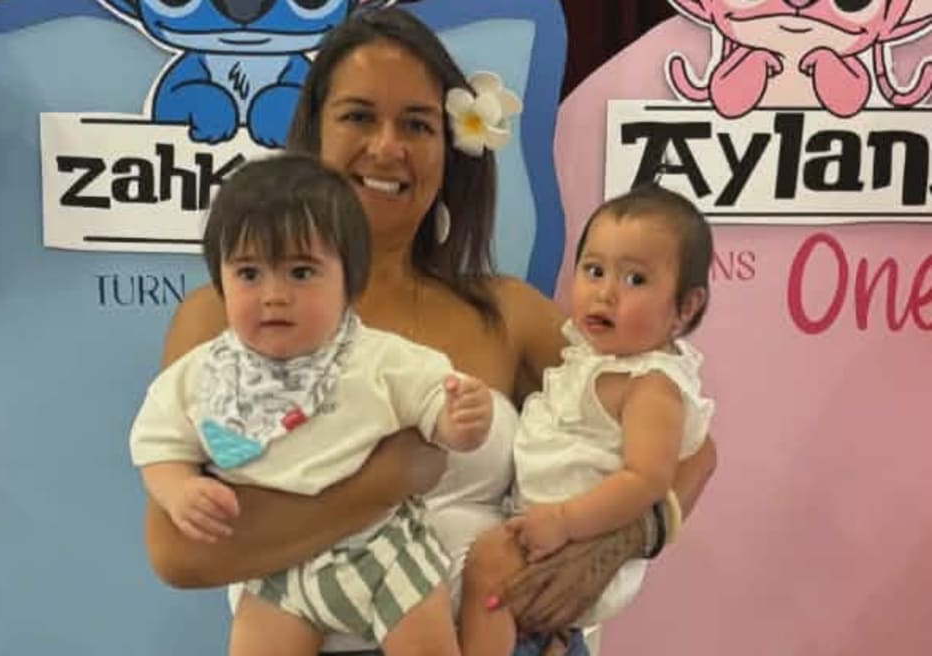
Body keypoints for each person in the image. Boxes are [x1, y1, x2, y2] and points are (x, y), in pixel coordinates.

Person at [140, 7, 718, 656]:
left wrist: (621, 540)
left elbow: (690, 443)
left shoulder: (507, 312)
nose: (388, 147)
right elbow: (176, 553)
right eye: (359, 116)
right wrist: (387, 481)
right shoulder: (221, 319)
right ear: (313, 133)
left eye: (416, 124)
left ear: (451, 148)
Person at [129, 153, 493, 655]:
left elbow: (437, 405)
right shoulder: (202, 375)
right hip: (275, 568)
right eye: (250, 273)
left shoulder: (378, 358)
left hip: (383, 550)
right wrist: (178, 489)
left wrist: (463, 422)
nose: (274, 295)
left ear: (350, 280)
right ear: (220, 279)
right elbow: (157, 442)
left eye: (301, 273)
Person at [458, 184, 715, 656]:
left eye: (635, 280)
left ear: (686, 307)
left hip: (574, 543)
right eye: (593, 271)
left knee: (488, 564)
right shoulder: (589, 361)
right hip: (543, 533)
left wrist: (566, 521)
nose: (606, 293)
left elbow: (649, 479)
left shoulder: (651, 384)